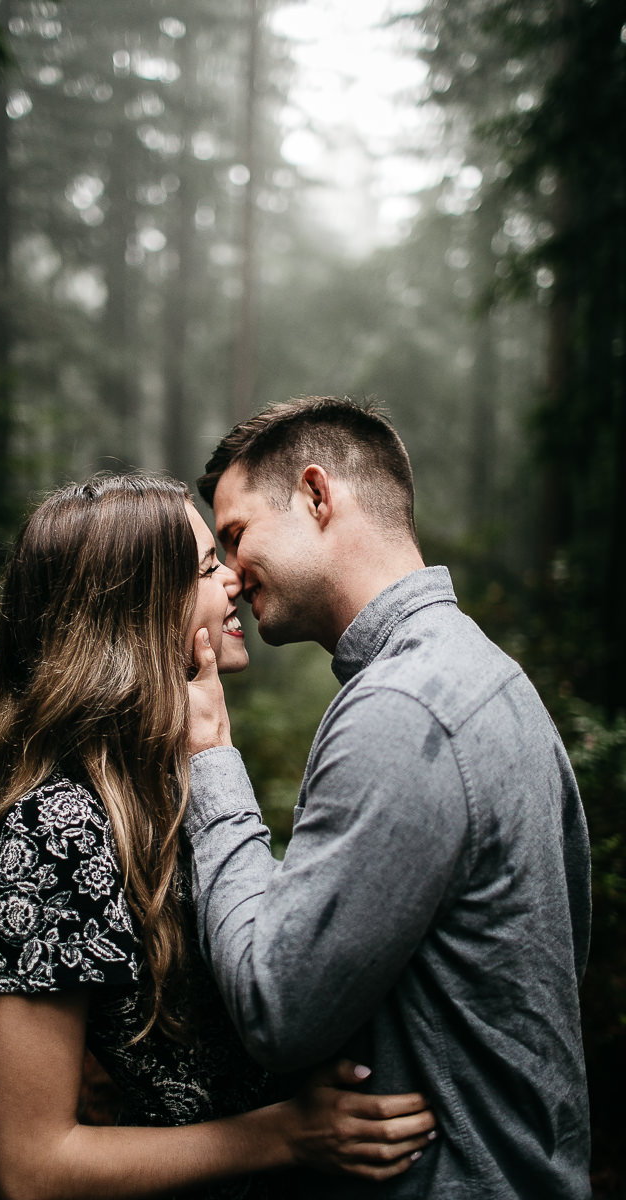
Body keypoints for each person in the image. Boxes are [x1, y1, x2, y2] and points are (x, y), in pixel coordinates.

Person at [0, 474, 437, 1200]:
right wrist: (286, 1133)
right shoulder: (57, 827)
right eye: (209, 567)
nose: (236, 583)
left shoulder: (179, 783)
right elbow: (33, 1163)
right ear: (139, 609)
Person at [184, 396, 592, 1199]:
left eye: (234, 536)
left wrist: (212, 762)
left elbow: (276, 1007)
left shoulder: (403, 709)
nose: (227, 574)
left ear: (316, 495)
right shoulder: (495, 681)